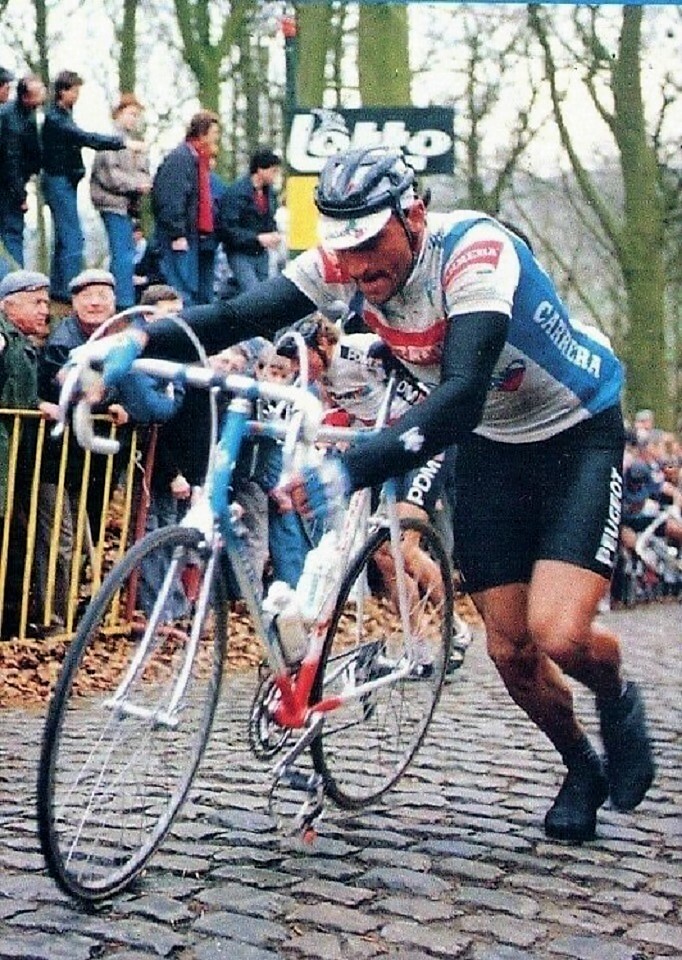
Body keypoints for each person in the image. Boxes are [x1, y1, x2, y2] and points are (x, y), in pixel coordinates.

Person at [97, 145, 655, 844]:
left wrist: (350, 470)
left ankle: (615, 694)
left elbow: (458, 396)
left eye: (371, 244)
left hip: (575, 431)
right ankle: (579, 765)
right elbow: (239, 315)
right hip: (493, 444)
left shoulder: (475, 253)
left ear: (413, 216)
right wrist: (134, 340)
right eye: (346, 249)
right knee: (511, 650)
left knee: (560, 634)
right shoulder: (343, 263)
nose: (359, 268)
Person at [36, 268, 125, 630]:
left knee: (84, 541)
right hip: (57, 458)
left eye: (102, 296)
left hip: (88, 460)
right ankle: (54, 620)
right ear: (73, 302)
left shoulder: (114, 336)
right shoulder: (64, 341)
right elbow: (74, 386)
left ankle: (71, 616)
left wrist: (114, 400)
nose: (95, 303)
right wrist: (108, 399)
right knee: (61, 540)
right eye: (86, 296)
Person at [41, 70, 126, 302]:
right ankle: (70, 288)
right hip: (58, 180)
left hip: (65, 181)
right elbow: (84, 137)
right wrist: (119, 142)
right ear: (63, 91)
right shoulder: (56, 119)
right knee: (72, 237)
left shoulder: (63, 115)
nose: (77, 96)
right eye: (75, 91)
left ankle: (59, 288)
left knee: (63, 237)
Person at [0, 269, 50, 637]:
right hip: (5, 456)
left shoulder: (23, 343)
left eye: (46, 301)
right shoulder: (4, 338)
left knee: (15, 540)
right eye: (36, 301)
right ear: (9, 304)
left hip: (16, 458)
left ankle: (10, 624)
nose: (44, 309)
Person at [150, 110, 221, 307]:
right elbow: (171, 197)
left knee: (194, 290)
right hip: (181, 236)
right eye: (214, 133)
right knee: (182, 288)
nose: (217, 138)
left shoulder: (197, 160)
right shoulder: (181, 159)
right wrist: (177, 234)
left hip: (194, 235)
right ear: (203, 133)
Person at [90, 93, 151, 311]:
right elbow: (110, 175)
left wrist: (143, 183)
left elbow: (144, 170)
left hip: (128, 206)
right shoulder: (110, 140)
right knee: (122, 254)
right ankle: (123, 303)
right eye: (131, 114)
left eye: (137, 115)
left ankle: (122, 298)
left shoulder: (136, 143)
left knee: (128, 252)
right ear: (119, 114)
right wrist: (136, 185)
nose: (134, 119)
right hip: (111, 202)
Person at [216, 146, 282, 295]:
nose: (275, 175)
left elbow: (269, 218)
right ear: (260, 170)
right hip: (240, 252)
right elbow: (227, 228)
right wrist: (257, 238)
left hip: (261, 253)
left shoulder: (269, 193)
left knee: (262, 292)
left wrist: (273, 233)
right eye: (273, 171)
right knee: (252, 292)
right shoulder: (236, 193)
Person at [0, 75, 46, 267]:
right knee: (12, 234)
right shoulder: (11, 119)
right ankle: (14, 279)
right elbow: (11, 162)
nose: (43, 96)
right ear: (26, 97)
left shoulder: (26, 114)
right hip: (8, 189)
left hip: (13, 184)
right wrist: (20, 196)